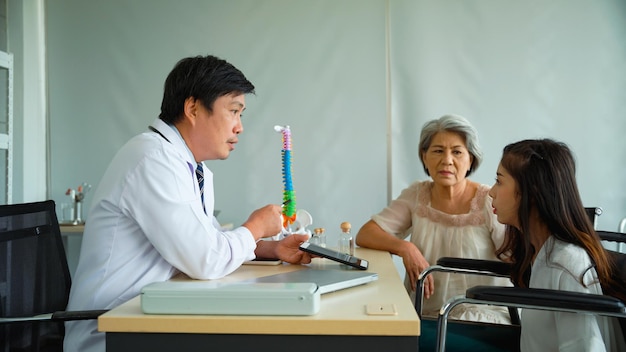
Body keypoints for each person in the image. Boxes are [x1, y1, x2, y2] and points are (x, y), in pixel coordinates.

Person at [64, 55, 313, 352]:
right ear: (193, 108)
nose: (239, 127)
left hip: (150, 318)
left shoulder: (190, 167)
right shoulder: (152, 160)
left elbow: (209, 242)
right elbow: (206, 260)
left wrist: (271, 249)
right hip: (111, 332)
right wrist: (255, 227)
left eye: (241, 115)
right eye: (233, 111)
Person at [355, 114, 512, 324]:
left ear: (470, 159)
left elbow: (516, 259)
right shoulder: (417, 195)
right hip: (424, 314)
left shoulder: (488, 199)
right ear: (424, 157)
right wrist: (405, 248)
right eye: (438, 151)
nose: (446, 160)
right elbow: (366, 234)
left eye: (457, 152)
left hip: (482, 314)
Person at [490, 138, 626, 351]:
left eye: (499, 181)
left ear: (531, 192)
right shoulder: (540, 253)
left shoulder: (566, 264)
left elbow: (585, 347)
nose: (491, 192)